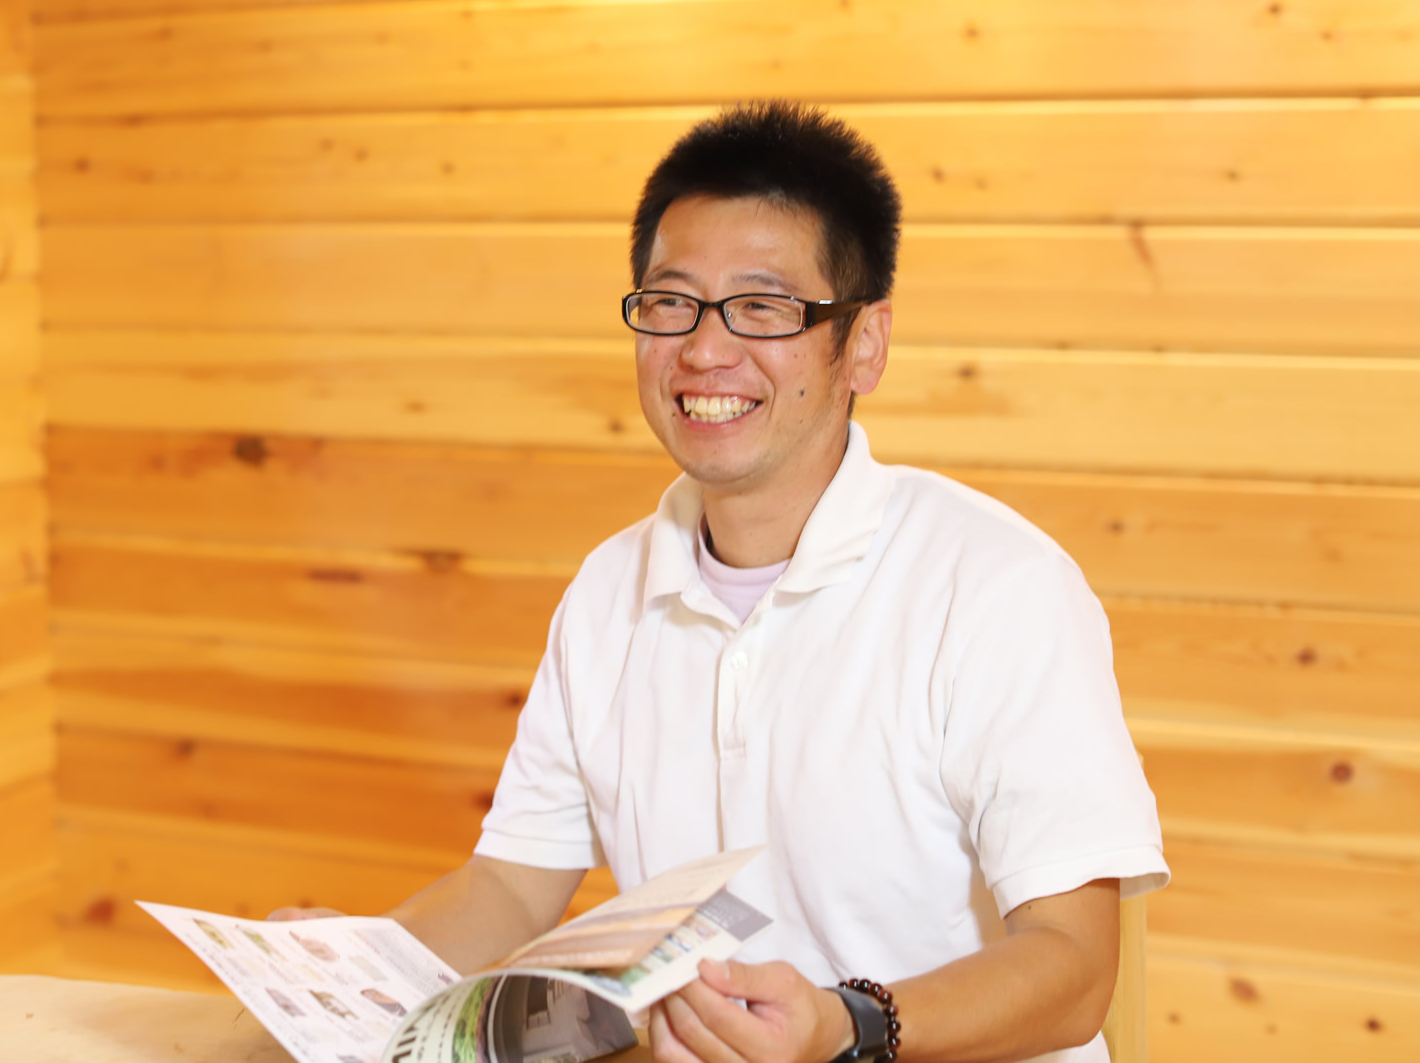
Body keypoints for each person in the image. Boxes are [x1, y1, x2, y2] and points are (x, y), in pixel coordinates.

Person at [275, 100, 1166, 1063]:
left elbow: (1075, 967)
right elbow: (509, 886)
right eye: (672, 303)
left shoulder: (998, 585)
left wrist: (846, 1025)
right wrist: (353, 966)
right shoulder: (606, 592)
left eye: (762, 306)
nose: (704, 349)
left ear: (864, 343)